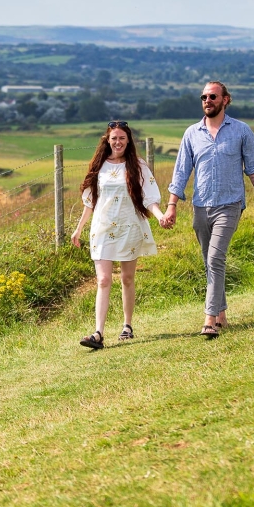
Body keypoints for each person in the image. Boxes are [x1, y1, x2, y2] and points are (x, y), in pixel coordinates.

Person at [160, 81, 254, 339]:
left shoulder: (242, 131)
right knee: (209, 262)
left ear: (225, 100)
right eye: (203, 97)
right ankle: (221, 314)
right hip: (201, 207)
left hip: (230, 205)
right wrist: (172, 205)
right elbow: (181, 172)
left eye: (212, 96)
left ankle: (209, 320)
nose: (207, 100)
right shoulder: (191, 134)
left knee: (215, 259)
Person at [72, 121, 166, 350]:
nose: (118, 142)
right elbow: (90, 201)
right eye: (114, 138)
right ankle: (98, 333)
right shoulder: (99, 166)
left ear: (128, 140)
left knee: (127, 278)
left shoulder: (138, 166)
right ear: (107, 140)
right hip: (102, 228)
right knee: (103, 280)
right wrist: (79, 228)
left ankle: (127, 325)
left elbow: (149, 197)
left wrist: (160, 216)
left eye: (122, 138)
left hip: (129, 227)